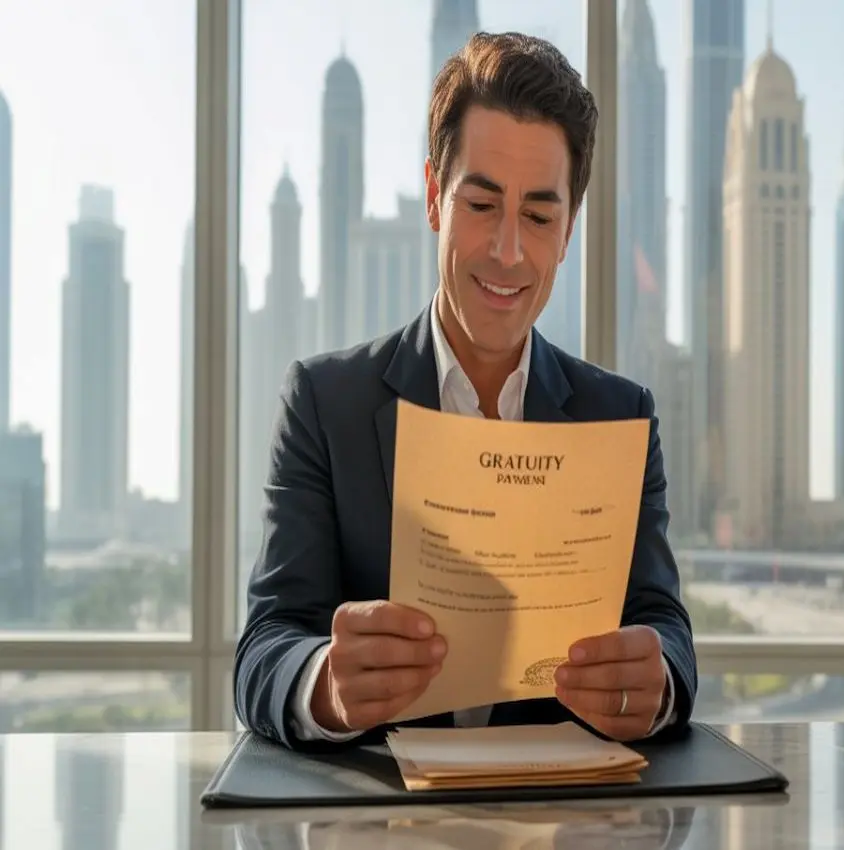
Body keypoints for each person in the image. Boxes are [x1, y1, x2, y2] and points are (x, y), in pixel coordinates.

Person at [233, 31, 696, 751]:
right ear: (432, 198)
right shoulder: (326, 405)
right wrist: (324, 682)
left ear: (569, 230)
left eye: (539, 217)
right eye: (481, 205)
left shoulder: (620, 417)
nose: (509, 251)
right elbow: (265, 646)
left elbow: (665, 626)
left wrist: (656, 681)